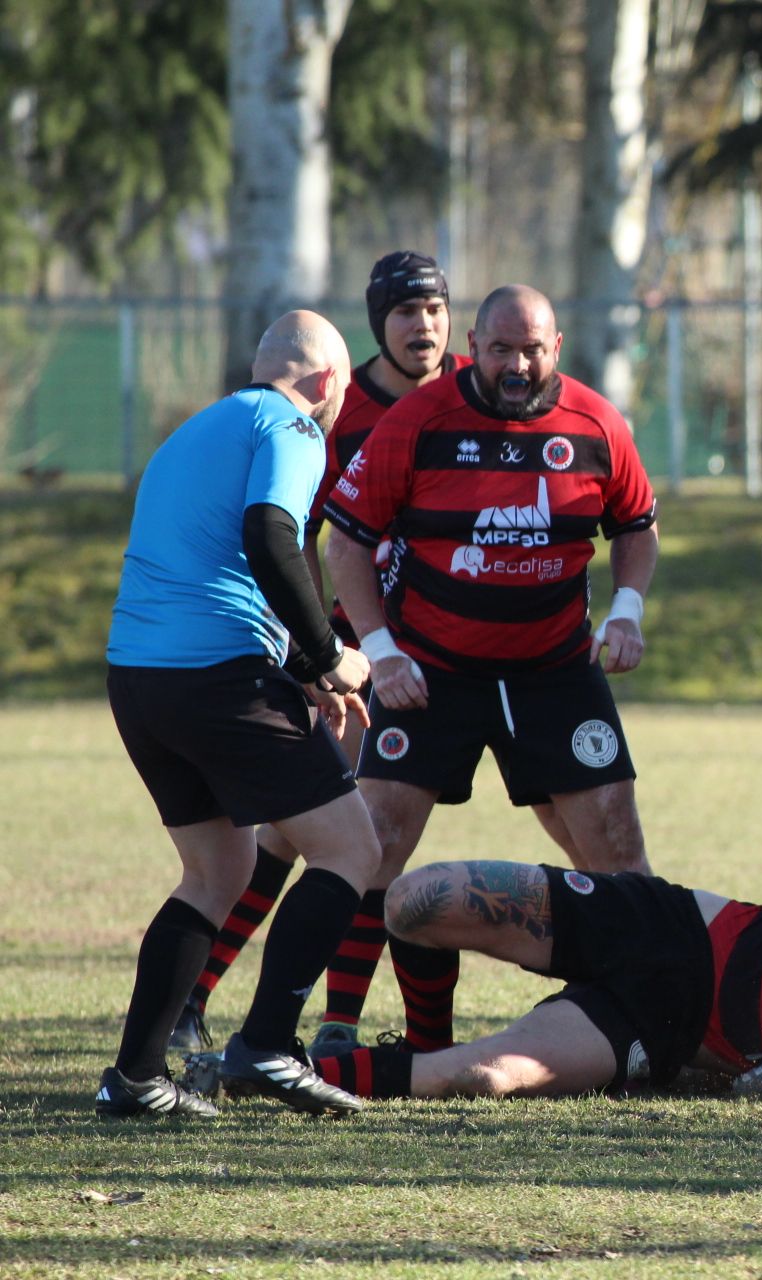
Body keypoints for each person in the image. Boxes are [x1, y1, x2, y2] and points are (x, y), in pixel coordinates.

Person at [319, 284, 658, 1056]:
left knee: (616, 845)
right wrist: (381, 652)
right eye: (500, 349)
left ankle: (644, 1014)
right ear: (474, 342)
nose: (516, 365)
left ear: (557, 348)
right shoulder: (419, 420)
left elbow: (636, 525)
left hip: (556, 669)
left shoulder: (597, 422)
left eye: (532, 350)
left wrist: (628, 608)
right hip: (432, 669)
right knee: (377, 840)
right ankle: (339, 1024)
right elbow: (346, 544)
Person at [175, 250, 475, 1056]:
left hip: (451, 650)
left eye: (435, 309)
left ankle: (268, 1013)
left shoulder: (475, 393)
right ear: (378, 322)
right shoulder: (337, 410)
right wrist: (317, 642)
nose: (424, 325)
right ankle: (251, 1010)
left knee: (336, 835)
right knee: (325, 832)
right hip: (353, 653)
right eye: (406, 311)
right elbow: (296, 535)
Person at [99, 311, 377, 1119]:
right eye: (342, 395)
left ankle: (137, 1079)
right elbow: (272, 535)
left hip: (141, 681)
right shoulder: (293, 424)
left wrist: (299, 668)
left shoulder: (198, 430)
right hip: (217, 678)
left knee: (218, 873)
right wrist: (331, 658)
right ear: (327, 382)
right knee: (351, 847)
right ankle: (266, 1046)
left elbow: (220, 567)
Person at [297, 858, 762, 1102]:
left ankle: (274, 1072)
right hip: (676, 927)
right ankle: (426, 1036)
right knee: (418, 900)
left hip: (663, 1031)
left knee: (482, 1076)